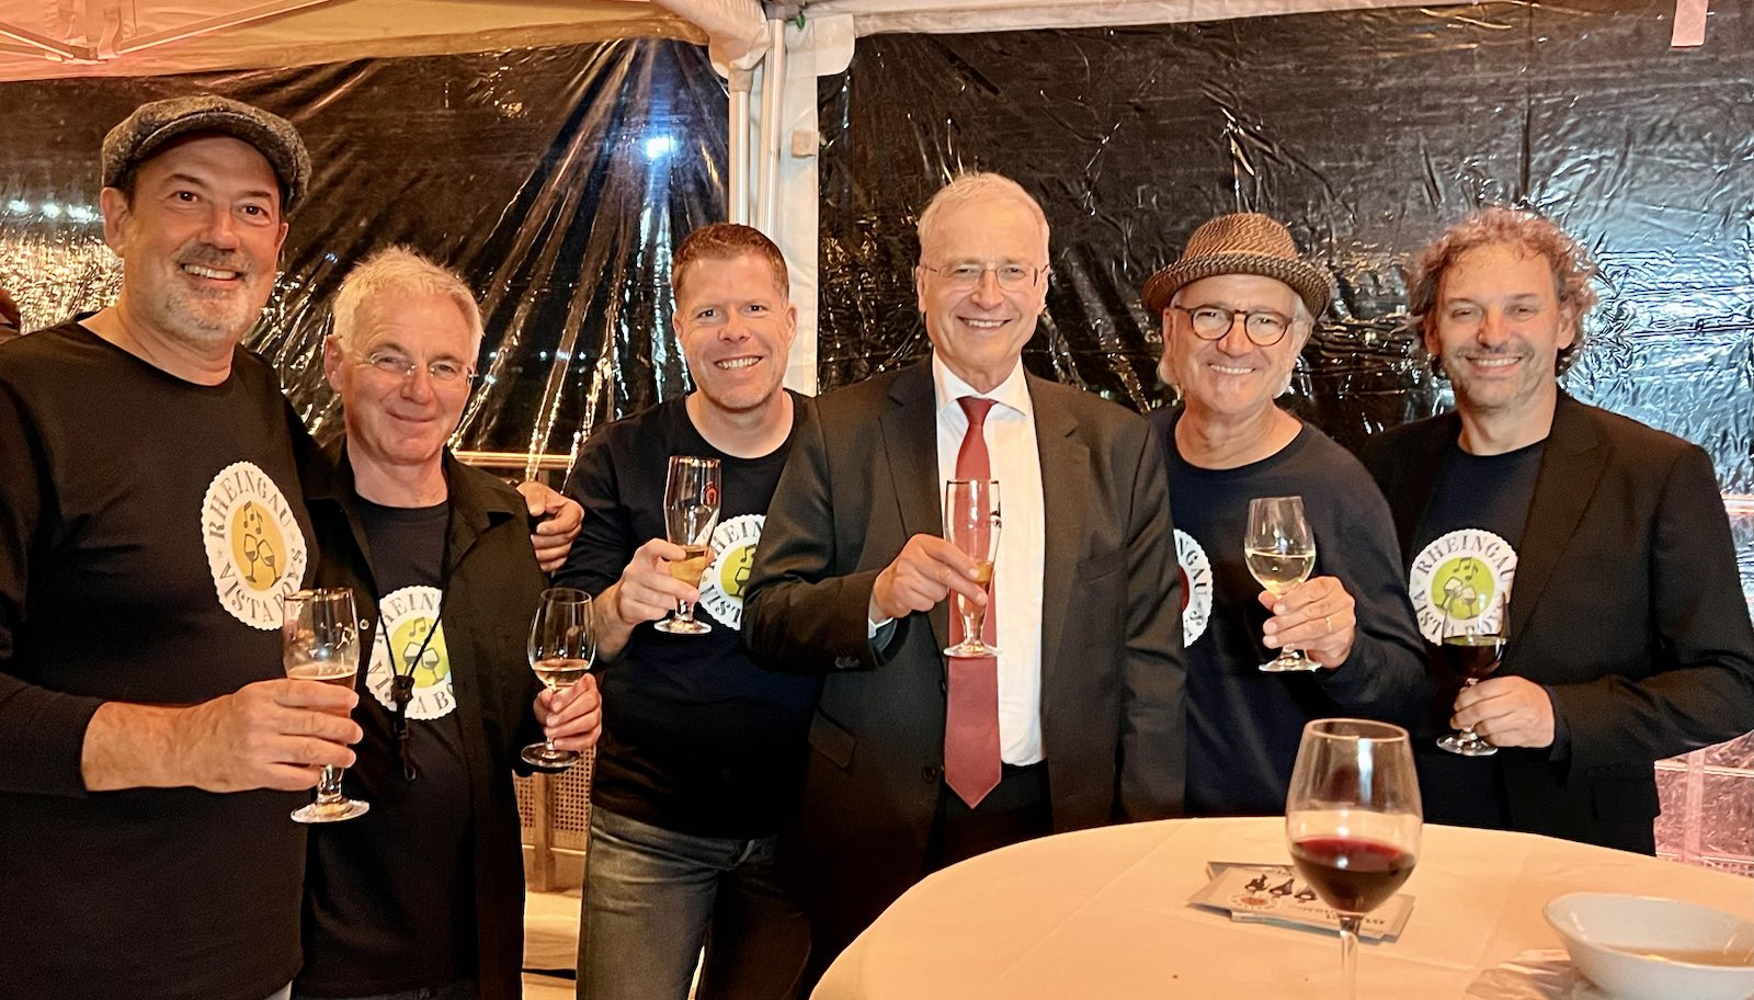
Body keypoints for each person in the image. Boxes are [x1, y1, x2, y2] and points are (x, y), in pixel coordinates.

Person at [743, 171, 1185, 978]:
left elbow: (1150, 662)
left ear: (1042, 288)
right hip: (875, 825)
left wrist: (1144, 836)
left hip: (1057, 820)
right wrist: (876, 597)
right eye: (963, 269)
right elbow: (769, 616)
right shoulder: (839, 429)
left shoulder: (1115, 445)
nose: (988, 295)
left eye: (1012, 270)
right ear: (922, 285)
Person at [0, 95, 350, 1000]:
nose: (222, 235)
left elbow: (355, 515)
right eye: (187, 197)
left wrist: (518, 509)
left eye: (252, 209)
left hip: (256, 957)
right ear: (118, 220)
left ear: (278, 243)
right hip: (73, 961)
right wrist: (190, 742)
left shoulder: (257, 392)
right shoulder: (22, 401)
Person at [1363, 206, 1754, 852]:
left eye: (1521, 309)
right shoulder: (1385, 465)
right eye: (1465, 311)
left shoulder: (1655, 472)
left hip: (1575, 848)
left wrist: (1561, 716)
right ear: (1432, 331)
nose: (1493, 334)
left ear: (1566, 322)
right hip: (1403, 839)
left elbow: (1732, 682)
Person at [295, 247, 603, 1000]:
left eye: (444, 367)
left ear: (470, 382)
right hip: (316, 953)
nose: (418, 390)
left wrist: (564, 719)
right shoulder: (288, 526)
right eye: (389, 358)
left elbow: (517, 734)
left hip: (476, 946)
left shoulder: (507, 530)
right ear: (335, 363)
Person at [556, 223, 814, 1000]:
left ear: (789, 319)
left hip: (800, 827)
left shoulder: (840, 449)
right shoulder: (622, 454)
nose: (734, 331)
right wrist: (620, 604)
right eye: (709, 313)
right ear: (679, 330)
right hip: (650, 823)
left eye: (754, 308)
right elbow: (576, 635)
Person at [1140, 212, 1427, 816]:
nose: (1235, 343)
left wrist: (1344, 650)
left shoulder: (1335, 488)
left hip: (1270, 832)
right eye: (1211, 314)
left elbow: (1405, 690)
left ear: (1296, 341)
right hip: (1128, 824)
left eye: (1265, 321)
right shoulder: (1125, 458)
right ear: (1171, 328)